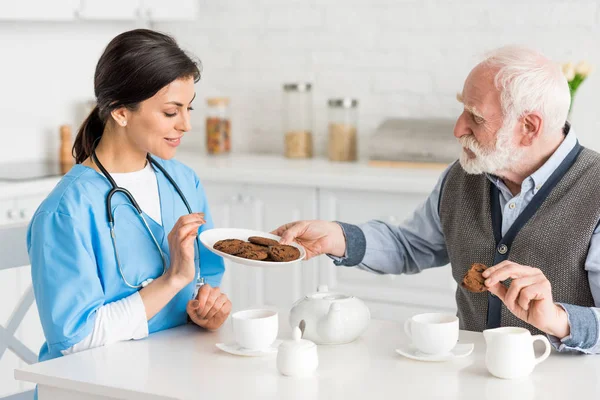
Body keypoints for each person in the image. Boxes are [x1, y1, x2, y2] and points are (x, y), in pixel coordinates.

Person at [274, 46, 600, 354]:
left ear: (529, 127)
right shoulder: (462, 178)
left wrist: (559, 318)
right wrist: (339, 237)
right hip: (473, 376)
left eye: (476, 117)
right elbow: (411, 246)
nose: (459, 128)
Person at [27, 29, 231, 363]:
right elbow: (74, 340)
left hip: (175, 371)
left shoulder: (183, 181)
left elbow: (205, 280)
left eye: (188, 109)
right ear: (121, 112)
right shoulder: (66, 211)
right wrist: (172, 280)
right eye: (171, 112)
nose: (186, 125)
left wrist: (207, 308)